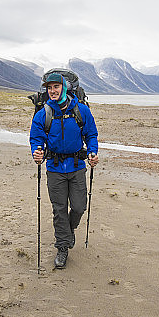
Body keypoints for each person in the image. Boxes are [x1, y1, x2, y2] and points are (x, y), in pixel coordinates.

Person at [30, 72, 99, 269]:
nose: (52, 91)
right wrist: (37, 151)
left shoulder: (81, 110)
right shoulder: (43, 113)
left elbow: (91, 133)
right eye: (49, 88)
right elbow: (36, 137)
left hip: (77, 166)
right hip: (54, 168)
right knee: (59, 210)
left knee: (78, 207)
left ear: (64, 88)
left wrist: (93, 151)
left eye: (55, 87)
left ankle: (68, 232)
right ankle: (62, 247)